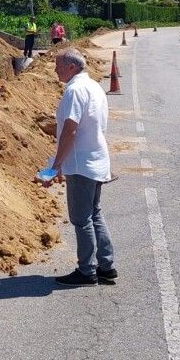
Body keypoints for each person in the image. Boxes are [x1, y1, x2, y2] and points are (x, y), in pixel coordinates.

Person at [45, 48, 116, 286]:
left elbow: (70, 129)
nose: (55, 70)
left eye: (58, 66)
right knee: (94, 213)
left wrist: (56, 165)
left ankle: (87, 271)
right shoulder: (94, 86)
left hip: (81, 163)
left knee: (81, 218)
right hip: (96, 159)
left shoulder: (74, 91)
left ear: (72, 67)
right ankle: (106, 265)